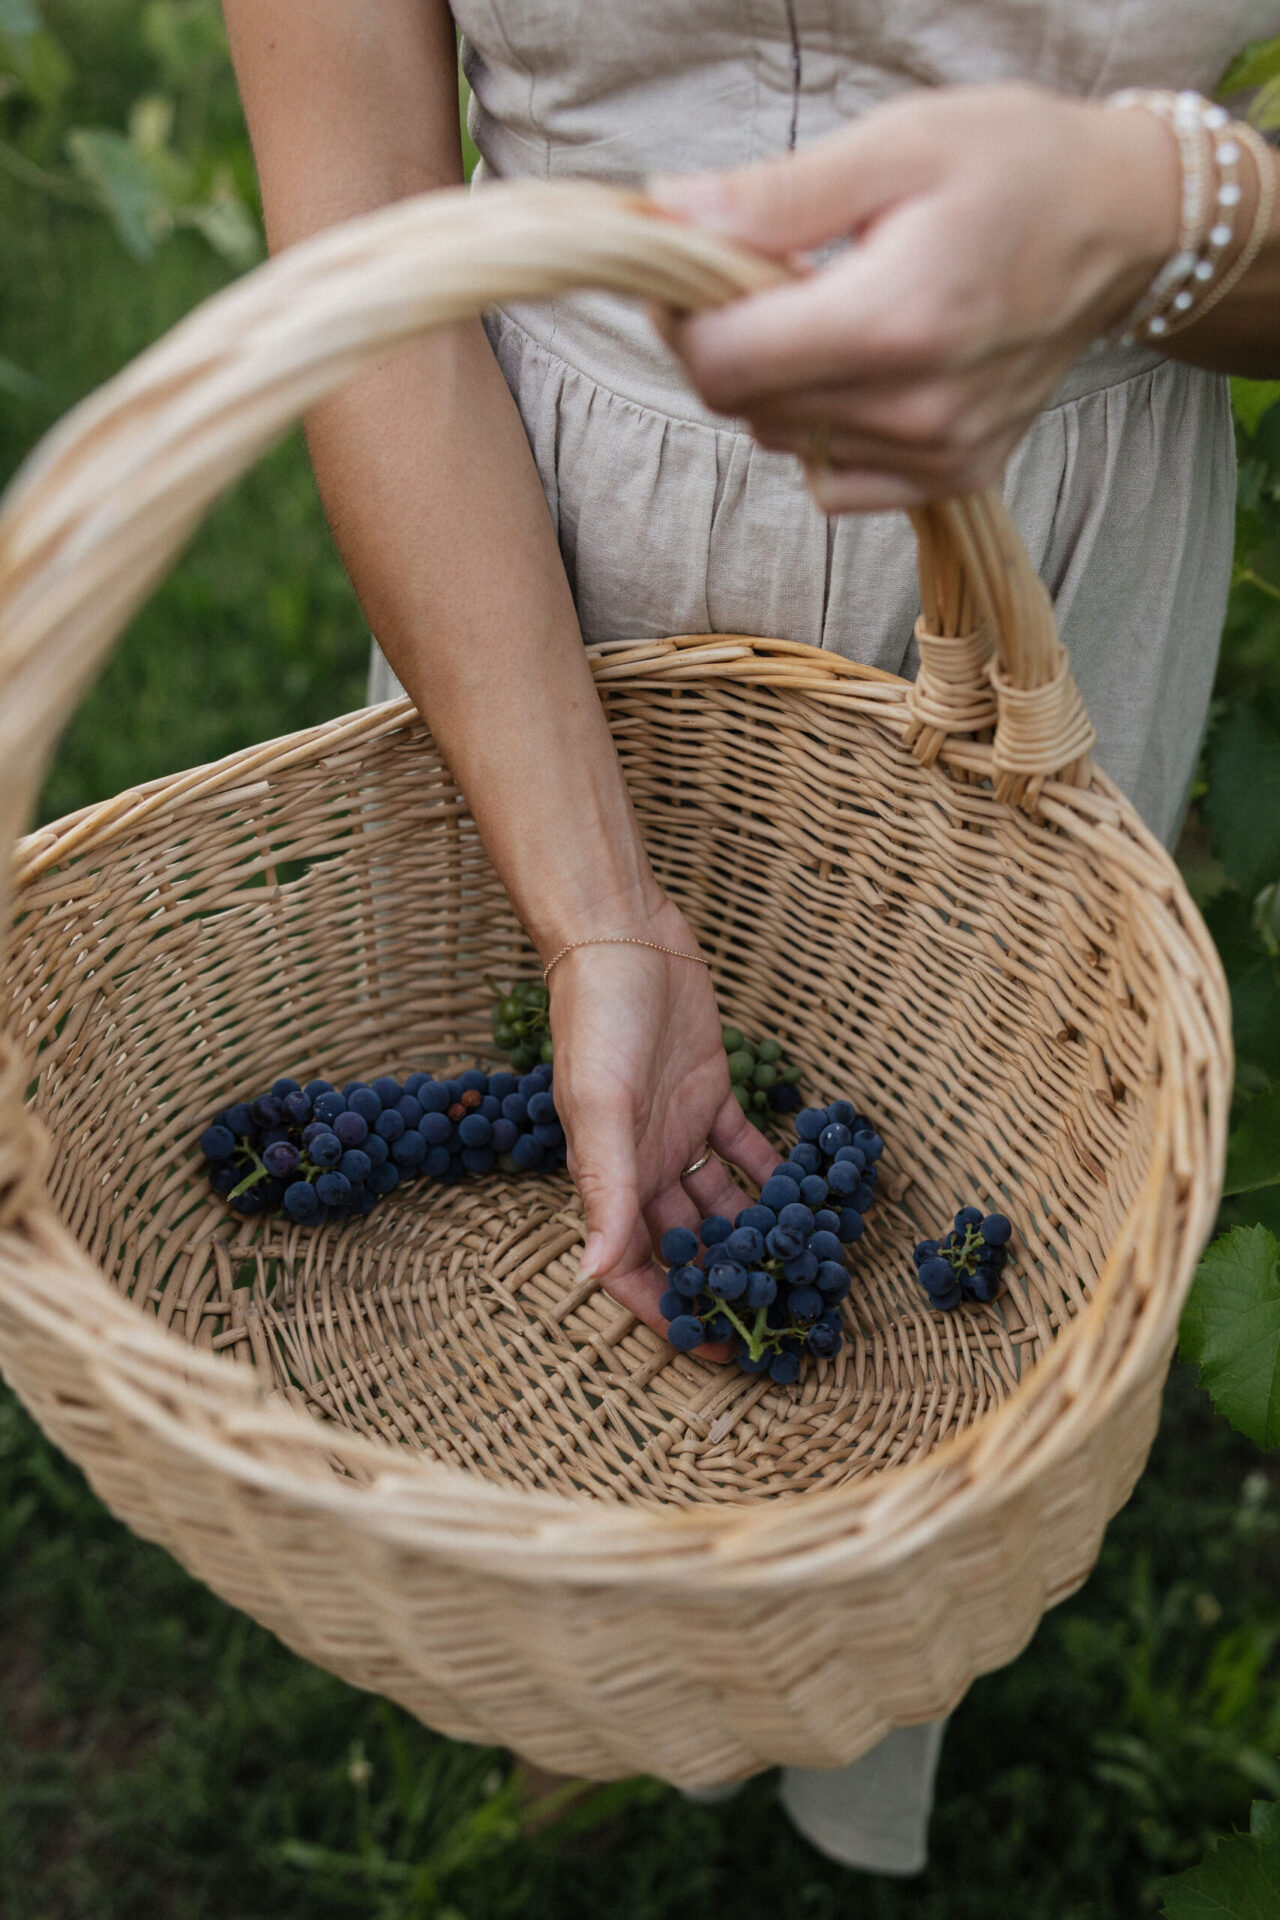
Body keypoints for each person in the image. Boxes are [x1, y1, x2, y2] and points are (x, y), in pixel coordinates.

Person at [222, 0, 1280, 1877]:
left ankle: (854, 1697)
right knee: (562, 1215)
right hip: (532, 555)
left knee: (957, 1282)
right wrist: (598, 914)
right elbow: (360, 234)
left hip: (1043, 564)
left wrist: (1145, 215)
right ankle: (586, 1692)